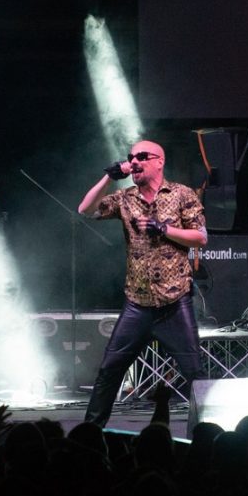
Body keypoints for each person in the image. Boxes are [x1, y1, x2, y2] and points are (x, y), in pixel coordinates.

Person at [77, 139, 209, 427]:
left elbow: (200, 237)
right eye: (131, 157)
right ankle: (89, 435)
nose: (134, 162)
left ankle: (208, 436)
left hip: (174, 303)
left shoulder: (181, 194)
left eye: (142, 157)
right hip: (137, 304)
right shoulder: (125, 198)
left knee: (195, 374)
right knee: (109, 370)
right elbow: (85, 209)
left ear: (159, 162)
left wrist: (163, 228)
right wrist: (109, 177)